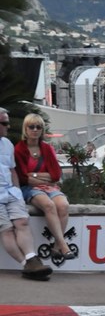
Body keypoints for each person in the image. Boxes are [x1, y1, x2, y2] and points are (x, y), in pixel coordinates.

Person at [14, 113, 76, 260]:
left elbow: (55, 175)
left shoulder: (47, 148)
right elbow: (23, 177)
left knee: (63, 205)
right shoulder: (19, 149)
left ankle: (56, 246)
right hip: (30, 189)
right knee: (48, 205)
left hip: (49, 187)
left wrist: (34, 175)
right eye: (31, 127)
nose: (35, 130)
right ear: (26, 129)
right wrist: (43, 177)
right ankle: (63, 245)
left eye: (38, 127)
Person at [0, 108, 52, 280]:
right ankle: (27, 265)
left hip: (10, 192)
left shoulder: (7, 144)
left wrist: (16, 189)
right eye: (4, 123)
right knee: (7, 230)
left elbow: (12, 170)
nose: (8, 126)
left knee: (22, 222)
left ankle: (31, 258)